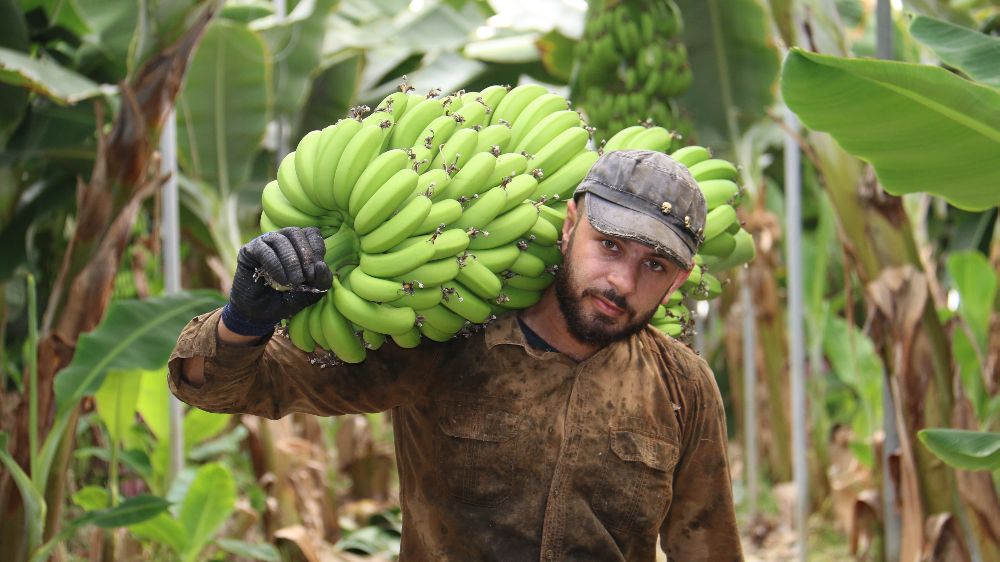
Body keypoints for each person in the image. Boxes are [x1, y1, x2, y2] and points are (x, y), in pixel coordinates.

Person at [169, 149, 744, 561]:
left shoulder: (681, 386)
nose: (620, 281)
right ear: (571, 226)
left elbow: (706, 544)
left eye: (653, 266)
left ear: (678, 281)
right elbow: (227, 384)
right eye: (610, 246)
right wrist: (245, 319)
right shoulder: (445, 337)